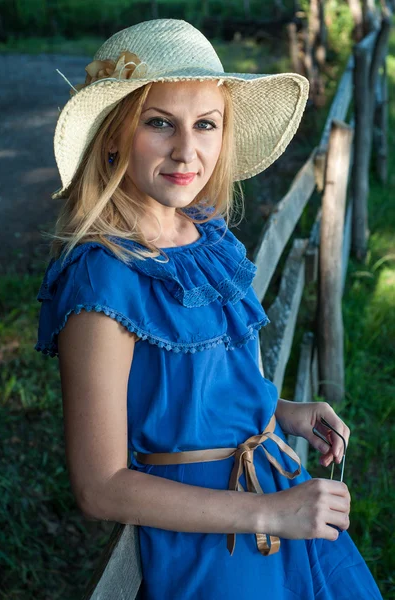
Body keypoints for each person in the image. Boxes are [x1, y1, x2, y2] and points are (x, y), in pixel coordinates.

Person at [34, 18, 383, 600]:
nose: (186, 150)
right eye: (159, 123)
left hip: (274, 483)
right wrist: (268, 514)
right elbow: (99, 486)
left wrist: (282, 411)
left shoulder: (206, 235)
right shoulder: (104, 276)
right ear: (114, 135)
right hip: (213, 535)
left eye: (205, 125)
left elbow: (201, 386)